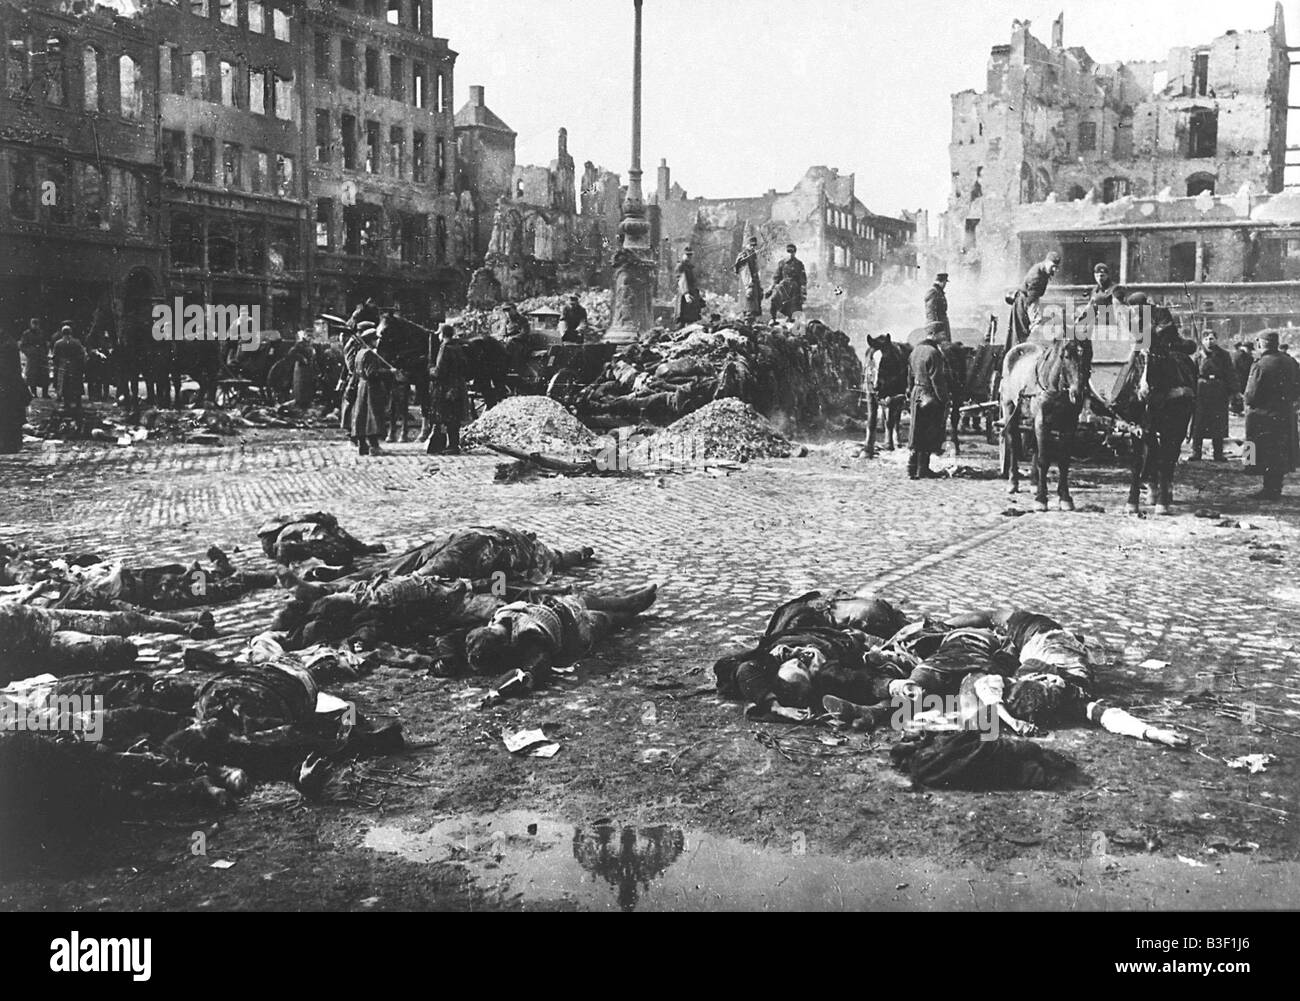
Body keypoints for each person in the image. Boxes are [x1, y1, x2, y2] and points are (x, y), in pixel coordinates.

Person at [1243, 331, 1300, 500]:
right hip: (1285, 414)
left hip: (1263, 417)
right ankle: (1275, 487)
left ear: (1261, 344)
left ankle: (1269, 489)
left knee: (1263, 451)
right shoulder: (1290, 361)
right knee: (1280, 452)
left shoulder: (1261, 364)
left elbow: (1251, 395)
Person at [906, 327, 950, 480]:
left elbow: (909, 375)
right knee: (929, 431)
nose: (943, 337)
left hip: (916, 393)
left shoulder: (915, 351)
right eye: (941, 333)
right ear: (933, 334)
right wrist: (943, 399)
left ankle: (911, 467)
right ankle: (923, 469)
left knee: (916, 429)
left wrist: (910, 392)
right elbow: (937, 380)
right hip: (929, 395)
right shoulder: (934, 353)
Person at [1190, 328, 1238, 461]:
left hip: (1219, 391)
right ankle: (1196, 452)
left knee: (1218, 423)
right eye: (1206, 339)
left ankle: (1218, 453)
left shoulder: (1224, 355)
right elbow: (1192, 374)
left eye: (1212, 338)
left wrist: (1233, 391)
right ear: (1202, 341)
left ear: (1216, 340)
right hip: (1201, 391)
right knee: (1198, 422)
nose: (1209, 342)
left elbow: (1230, 373)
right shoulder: (1198, 356)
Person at [346, 325, 391, 457]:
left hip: (361, 387)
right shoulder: (370, 354)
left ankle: (362, 446)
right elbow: (372, 373)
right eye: (375, 339)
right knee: (372, 417)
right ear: (371, 340)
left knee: (362, 416)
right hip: (372, 388)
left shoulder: (360, 353)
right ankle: (374, 446)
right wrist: (389, 372)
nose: (377, 341)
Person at [427, 324, 469, 456]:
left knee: (447, 415)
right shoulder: (458, 347)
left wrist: (430, 370)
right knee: (455, 417)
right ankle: (453, 444)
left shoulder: (444, 347)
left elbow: (439, 371)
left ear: (442, 334)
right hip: (458, 386)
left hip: (446, 387)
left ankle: (449, 445)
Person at [1007, 251, 1061, 348]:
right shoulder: (1036, 275)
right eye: (1053, 266)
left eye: (1056, 267)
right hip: (1024, 302)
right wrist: (1035, 322)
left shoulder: (1044, 270)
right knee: (1022, 332)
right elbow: (1031, 301)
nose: (1054, 269)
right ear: (1047, 262)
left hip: (1028, 300)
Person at [0, 325, 30, 453]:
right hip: (11, 386)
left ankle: (8, 446)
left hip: (7, 386)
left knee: (7, 417)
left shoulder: (6, 347)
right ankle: (12, 445)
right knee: (11, 418)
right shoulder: (9, 344)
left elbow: (4, 368)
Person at [50, 325, 86, 414]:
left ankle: (66, 403)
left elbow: (55, 357)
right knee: (76, 383)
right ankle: (78, 403)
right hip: (74, 366)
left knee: (64, 384)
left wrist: (57, 365)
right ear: (71, 332)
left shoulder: (58, 343)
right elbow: (82, 354)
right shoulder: (76, 342)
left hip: (63, 366)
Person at [768, 244, 807, 322]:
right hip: (783, 286)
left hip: (794, 288)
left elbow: (803, 278)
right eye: (788, 251)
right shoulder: (782, 263)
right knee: (774, 299)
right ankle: (773, 318)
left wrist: (803, 290)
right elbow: (777, 276)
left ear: (795, 252)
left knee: (795, 304)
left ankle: (791, 319)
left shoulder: (799, 264)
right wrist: (772, 287)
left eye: (792, 252)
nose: (790, 254)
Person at [18, 317, 49, 400]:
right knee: (32, 376)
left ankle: (45, 393)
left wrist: (45, 352)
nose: (35, 326)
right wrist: (29, 352)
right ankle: (34, 393)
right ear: (31, 324)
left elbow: (45, 344)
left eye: (37, 324)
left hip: (42, 357)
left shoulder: (41, 333)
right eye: (33, 324)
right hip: (32, 358)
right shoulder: (26, 334)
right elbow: (22, 346)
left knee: (44, 375)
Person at [734, 236, 763, 319]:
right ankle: (747, 315)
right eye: (751, 245)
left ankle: (753, 318)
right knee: (748, 297)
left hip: (754, 279)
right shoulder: (743, 254)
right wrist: (741, 260)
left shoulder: (754, 255)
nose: (753, 247)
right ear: (747, 245)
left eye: (754, 245)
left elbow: (757, 267)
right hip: (746, 280)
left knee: (756, 299)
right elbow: (738, 267)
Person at [675, 246, 703, 327]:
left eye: (690, 255)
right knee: (682, 319)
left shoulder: (690, 267)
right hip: (684, 296)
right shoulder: (680, 266)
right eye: (687, 255)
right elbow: (681, 280)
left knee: (691, 319)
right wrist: (686, 293)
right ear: (683, 255)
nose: (689, 257)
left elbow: (693, 283)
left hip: (692, 295)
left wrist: (699, 297)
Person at [924, 273, 951, 342]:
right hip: (938, 326)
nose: (945, 285)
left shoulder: (939, 292)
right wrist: (935, 327)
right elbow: (931, 311)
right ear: (942, 282)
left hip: (942, 324)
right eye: (945, 282)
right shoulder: (933, 292)